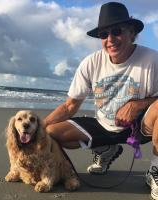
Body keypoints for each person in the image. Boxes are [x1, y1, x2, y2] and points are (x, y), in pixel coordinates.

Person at [43, 2, 158, 199]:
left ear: (132, 32)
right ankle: (106, 151)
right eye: (104, 34)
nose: (110, 39)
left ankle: (155, 171)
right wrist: (38, 127)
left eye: (116, 31)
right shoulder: (90, 62)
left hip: (138, 127)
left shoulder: (152, 59)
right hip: (103, 124)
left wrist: (138, 104)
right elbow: (70, 105)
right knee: (50, 133)